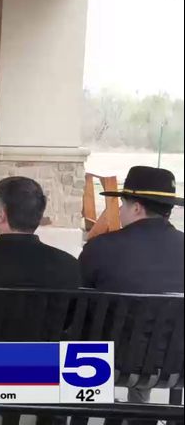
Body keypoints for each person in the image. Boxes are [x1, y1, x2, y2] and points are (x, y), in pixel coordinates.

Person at [79, 166, 184, 407]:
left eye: (122, 205)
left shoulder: (100, 248)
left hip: (110, 364)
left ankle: (89, 406)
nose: (120, 211)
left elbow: (78, 305)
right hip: (177, 366)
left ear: (136, 208)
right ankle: (139, 409)